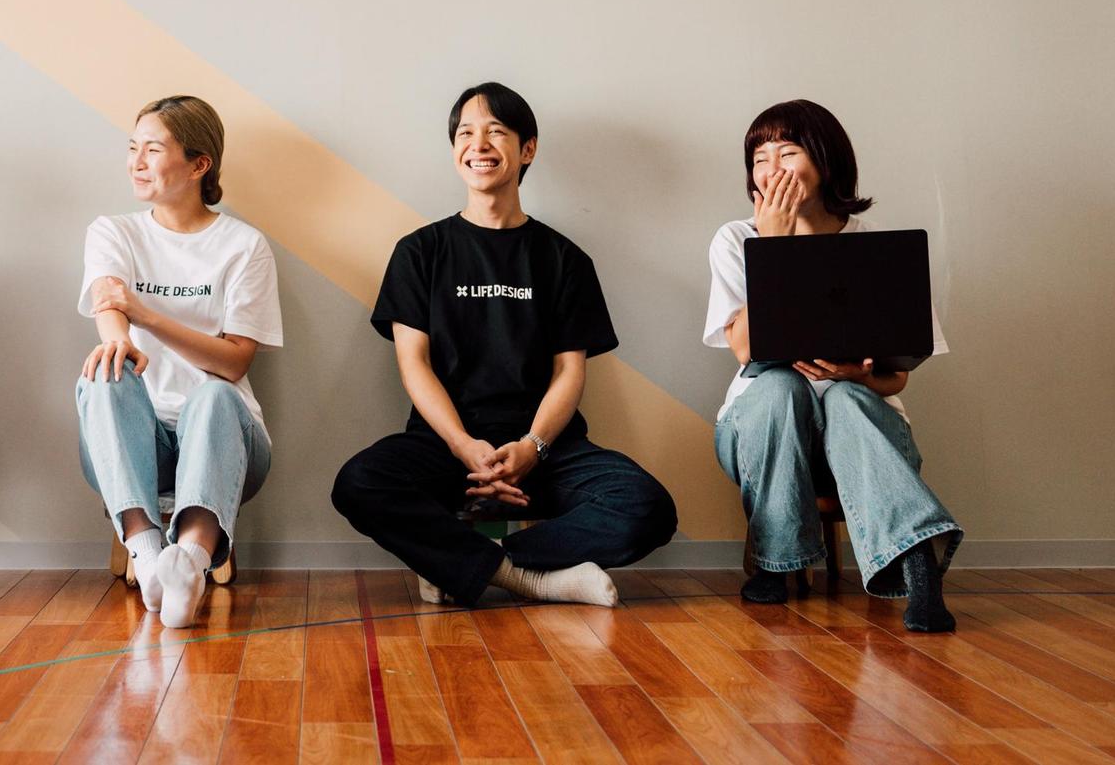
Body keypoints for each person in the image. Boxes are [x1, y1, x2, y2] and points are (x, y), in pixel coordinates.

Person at [331, 82, 677, 608]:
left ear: (527, 148)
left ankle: (463, 563)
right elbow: (414, 365)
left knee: (647, 506)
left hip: (547, 448)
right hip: (445, 444)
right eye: (465, 134)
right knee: (359, 482)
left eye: (496, 131)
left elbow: (569, 373)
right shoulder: (419, 252)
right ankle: (529, 579)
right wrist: (462, 445)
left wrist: (532, 448)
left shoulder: (564, 259)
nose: (479, 144)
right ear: (454, 151)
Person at [706, 98, 960, 631]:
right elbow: (745, 350)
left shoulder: (875, 248)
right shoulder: (737, 239)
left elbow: (897, 375)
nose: (771, 169)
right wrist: (772, 245)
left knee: (845, 396)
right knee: (779, 386)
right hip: (764, 437)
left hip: (863, 440)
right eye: (759, 158)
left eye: (787, 153)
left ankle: (917, 561)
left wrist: (858, 375)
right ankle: (775, 565)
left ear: (824, 160)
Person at [74, 95, 281, 629]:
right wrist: (119, 337)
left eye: (153, 149)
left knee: (214, 392)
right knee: (105, 372)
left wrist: (147, 316)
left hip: (226, 442)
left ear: (198, 164)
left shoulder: (243, 245)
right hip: (132, 445)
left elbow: (235, 363)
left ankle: (188, 560)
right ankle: (148, 554)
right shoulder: (114, 231)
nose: (136, 162)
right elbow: (108, 300)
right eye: (132, 148)